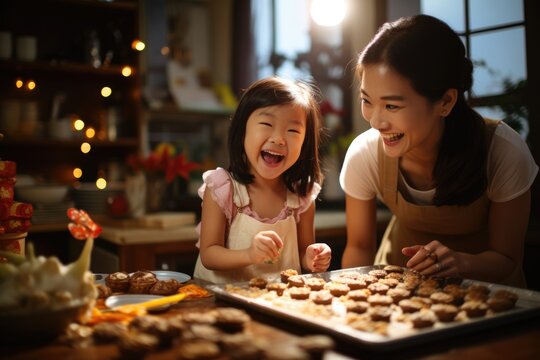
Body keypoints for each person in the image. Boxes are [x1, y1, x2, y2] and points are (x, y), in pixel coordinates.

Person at [339, 14, 538, 287]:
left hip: (490, 297)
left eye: (392, 106)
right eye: (367, 100)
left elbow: (507, 258)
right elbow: (360, 247)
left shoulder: (502, 150)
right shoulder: (366, 152)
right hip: (398, 294)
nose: (375, 121)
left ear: (445, 101)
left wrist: (461, 263)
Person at [194, 76, 332, 284]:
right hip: (221, 302)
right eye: (267, 123)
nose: (278, 138)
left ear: (305, 143)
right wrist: (249, 254)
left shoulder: (301, 196)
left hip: (279, 303)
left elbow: (304, 253)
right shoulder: (223, 188)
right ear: (243, 131)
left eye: (293, 130)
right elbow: (209, 255)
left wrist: (313, 257)